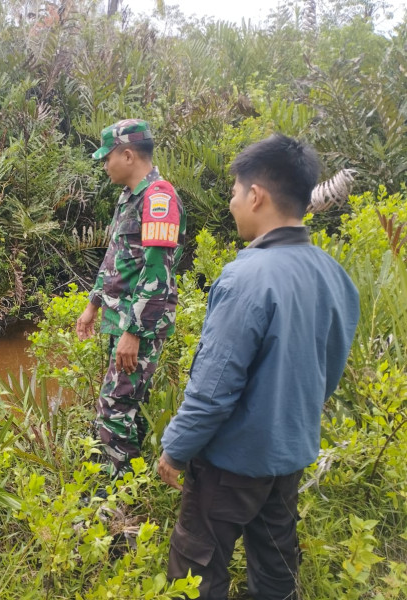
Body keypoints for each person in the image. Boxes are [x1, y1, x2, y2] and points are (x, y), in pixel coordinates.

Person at [157, 134, 360, 599]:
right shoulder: (334, 274)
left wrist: (176, 448)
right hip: (288, 453)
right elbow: (326, 371)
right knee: (275, 562)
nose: (231, 203)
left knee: (196, 564)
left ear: (256, 195)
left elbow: (213, 390)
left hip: (232, 462)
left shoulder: (246, 276)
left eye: (233, 192)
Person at [76, 119, 186, 478]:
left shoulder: (159, 198)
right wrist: (93, 305)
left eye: (107, 157)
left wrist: (135, 332)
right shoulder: (129, 197)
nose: (104, 165)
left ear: (127, 154)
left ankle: (117, 504)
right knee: (127, 407)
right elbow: (115, 257)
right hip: (119, 317)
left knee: (113, 409)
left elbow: (157, 273)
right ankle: (135, 484)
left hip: (141, 324)